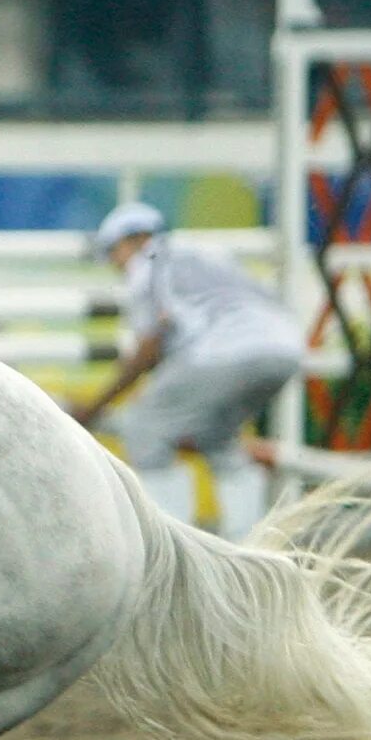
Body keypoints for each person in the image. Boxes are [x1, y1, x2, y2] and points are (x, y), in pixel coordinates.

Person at [71, 201, 299, 538]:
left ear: (134, 240)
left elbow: (149, 349)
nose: (114, 264)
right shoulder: (206, 253)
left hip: (223, 351)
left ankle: (176, 544)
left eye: (113, 251)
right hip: (284, 347)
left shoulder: (147, 264)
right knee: (217, 437)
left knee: (144, 426)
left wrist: (93, 408)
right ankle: (250, 542)